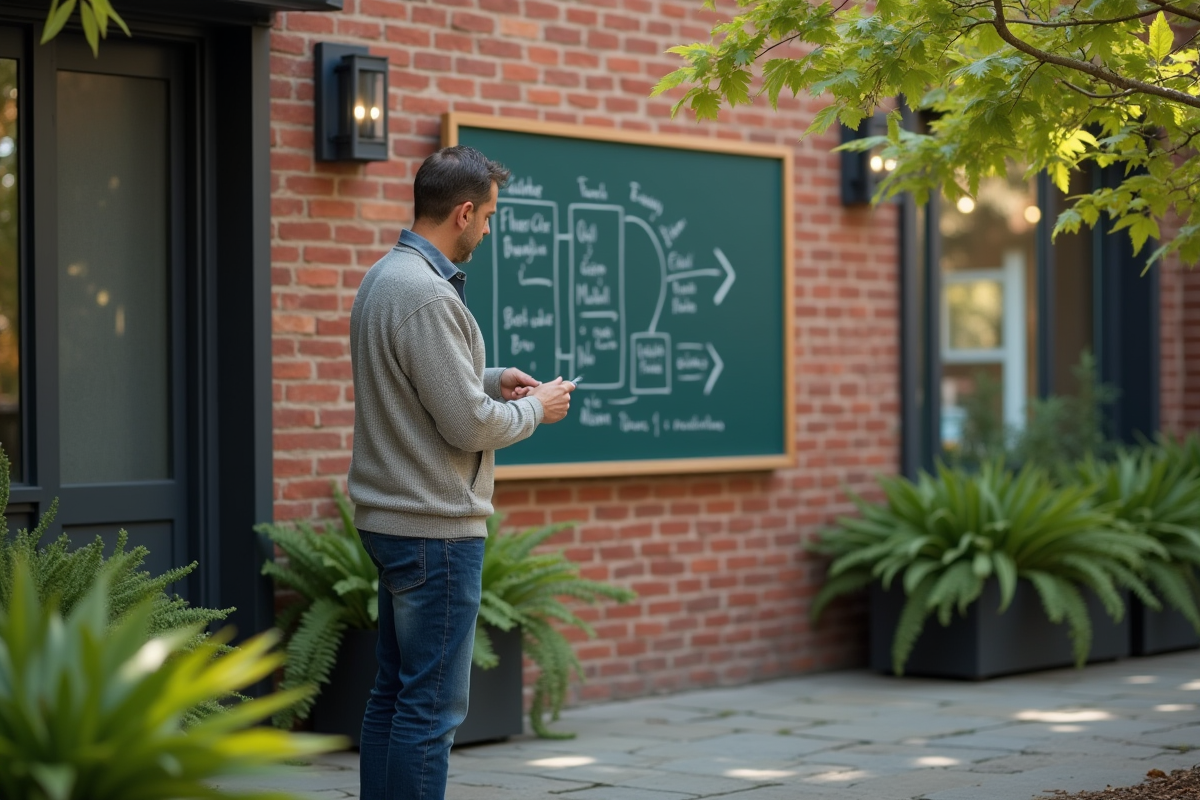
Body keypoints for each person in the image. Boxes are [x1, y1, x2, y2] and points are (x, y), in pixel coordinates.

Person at [347, 145, 575, 800]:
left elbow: (417, 382)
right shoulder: (427, 295)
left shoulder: (385, 278)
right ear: (465, 211)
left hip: (394, 523)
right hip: (435, 532)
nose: (489, 231)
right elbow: (468, 426)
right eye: (490, 217)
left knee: (394, 696)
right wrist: (538, 408)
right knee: (430, 711)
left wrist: (492, 378)